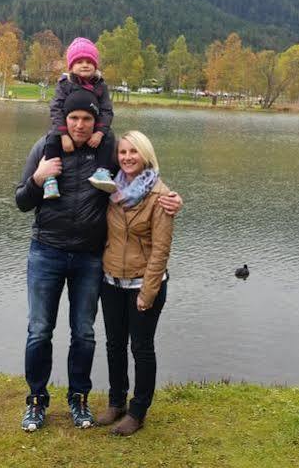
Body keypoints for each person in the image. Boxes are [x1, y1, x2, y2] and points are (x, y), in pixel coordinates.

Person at [14, 92, 181, 432]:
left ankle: (81, 400)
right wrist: (37, 178)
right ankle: (36, 402)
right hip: (48, 252)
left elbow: (144, 177)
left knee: (86, 334)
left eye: (86, 119)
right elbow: (21, 201)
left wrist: (173, 198)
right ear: (65, 119)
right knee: (40, 330)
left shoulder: (110, 156)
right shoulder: (47, 149)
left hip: (91, 260)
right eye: (73, 118)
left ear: (96, 122)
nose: (79, 124)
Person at [96, 130, 173, 436]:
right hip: (111, 280)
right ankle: (117, 403)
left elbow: (161, 250)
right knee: (114, 344)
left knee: (141, 348)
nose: (127, 157)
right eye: (123, 152)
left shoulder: (161, 196)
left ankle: (138, 411)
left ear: (146, 156)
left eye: (133, 152)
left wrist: (148, 291)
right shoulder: (109, 188)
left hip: (144, 283)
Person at [41, 37, 116, 200]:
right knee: (52, 138)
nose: (85, 65)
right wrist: (64, 135)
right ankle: (49, 178)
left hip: (94, 130)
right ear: (71, 66)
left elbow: (106, 110)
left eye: (89, 61)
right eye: (79, 61)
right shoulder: (65, 83)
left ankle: (102, 172)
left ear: (95, 65)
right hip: (64, 130)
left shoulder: (100, 85)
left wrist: (99, 133)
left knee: (109, 136)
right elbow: (56, 109)